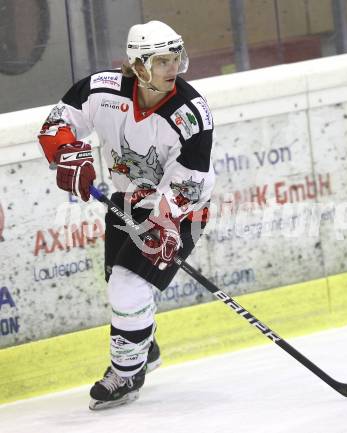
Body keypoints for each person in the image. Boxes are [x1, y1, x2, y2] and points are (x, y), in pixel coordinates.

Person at [38, 20, 215, 410]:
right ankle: (143, 348)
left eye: (176, 59)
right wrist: (66, 153)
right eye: (163, 61)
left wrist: (162, 222)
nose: (173, 69)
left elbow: (191, 184)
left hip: (184, 207)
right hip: (126, 200)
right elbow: (56, 126)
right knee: (119, 285)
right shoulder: (99, 91)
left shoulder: (191, 114)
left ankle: (126, 373)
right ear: (137, 65)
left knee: (127, 284)